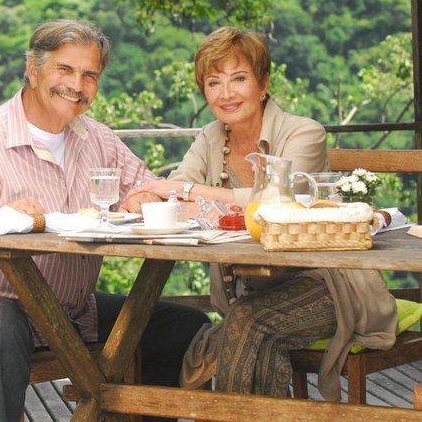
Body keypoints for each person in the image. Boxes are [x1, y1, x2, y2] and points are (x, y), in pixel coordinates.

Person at [0, 19, 210, 421]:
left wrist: (141, 196)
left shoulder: (98, 139)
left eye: (90, 74)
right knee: (3, 325)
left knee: (184, 325)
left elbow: (155, 189)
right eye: (65, 70)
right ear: (33, 69)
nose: (77, 84)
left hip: (68, 311)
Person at [122, 26, 397, 401]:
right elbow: (167, 192)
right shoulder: (210, 137)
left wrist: (181, 191)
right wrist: (148, 198)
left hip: (330, 286)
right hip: (247, 294)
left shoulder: (305, 133)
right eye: (214, 82)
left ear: (263, 83)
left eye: (239, 78)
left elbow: (273, 204)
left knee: (249, 323)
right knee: (254, 331)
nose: (226, 93)